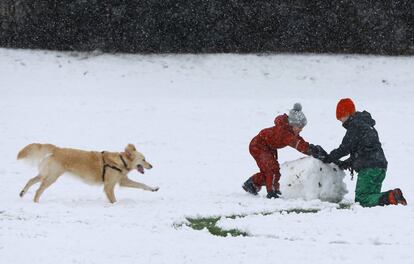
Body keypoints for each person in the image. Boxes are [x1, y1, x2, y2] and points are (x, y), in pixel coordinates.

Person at [320, 98, 407, 207]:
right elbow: (363, 150)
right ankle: (394, 197)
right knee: (373, 197)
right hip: (380, 167)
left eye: (340, 117)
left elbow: (345, 148)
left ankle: (391, 196)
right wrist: (346, 163)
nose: (341, 121)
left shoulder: (355, 126)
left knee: (362, 199)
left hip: (369, 169)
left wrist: (328, 158)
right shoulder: (366, 125)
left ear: (346, 113)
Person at [242, 103, 325, 199]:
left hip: (266, 148)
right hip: (258, 146)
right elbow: (297, 144)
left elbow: (299, 141)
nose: (301, 129)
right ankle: (271, 192)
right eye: (299, 127)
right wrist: (310, 150)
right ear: (292, 124)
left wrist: (311, 147)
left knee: (272, 172)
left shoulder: (289, 130)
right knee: (272, 169)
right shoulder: (285, 133)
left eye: (302, 127)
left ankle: (253, 183)